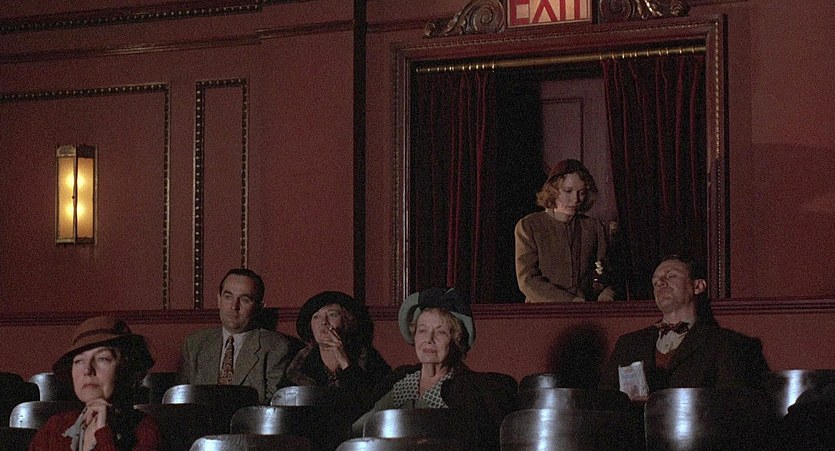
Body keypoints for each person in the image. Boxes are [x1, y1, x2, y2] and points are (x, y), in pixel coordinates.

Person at [353, 288, 517, 450]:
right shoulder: (401, 381)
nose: (429, 339)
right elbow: (360, 429)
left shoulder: (471, 390)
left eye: (441, 332)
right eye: (422, 330)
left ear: (456, 340)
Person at [601, 255, 768, 396]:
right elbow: (605, 402)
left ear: (698, 286)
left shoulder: (725, 343)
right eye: (655, 281)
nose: (660, 283)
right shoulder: (629, 344)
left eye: (671, 276)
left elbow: (734, 406)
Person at [30, 315, 160, 450]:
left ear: (126, 369)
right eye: (79, 361)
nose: (87, 370)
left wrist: (103, 432)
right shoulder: (55, 427)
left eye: (102, 358)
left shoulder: (145, 431)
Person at [281, 291, 392, 449]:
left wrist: (344, 361)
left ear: (347, 321)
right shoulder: (298, 366)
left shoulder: (370, 361)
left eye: (332, 315)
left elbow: (372, 408)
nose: (323, 322)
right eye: (316, 317)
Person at [180, 268, 300, 404]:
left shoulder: (276, 347)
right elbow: (181, 398)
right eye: (228, 297)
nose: (234, 306)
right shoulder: (195, 344)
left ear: (259, 307)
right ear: (219, 300)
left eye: (244, 300)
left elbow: (272, 405)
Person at [514, 158, 615, 303]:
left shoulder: (593, 227)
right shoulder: (529, 226)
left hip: (586, 310)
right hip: (543, 311)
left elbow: (605, 275)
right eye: (568, 191)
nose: (576, 199)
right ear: (553, 190)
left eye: (582, 192)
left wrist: (606, 292)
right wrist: (571, 301)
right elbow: (527, 280)